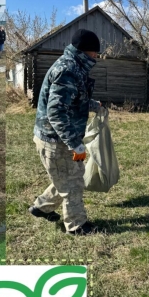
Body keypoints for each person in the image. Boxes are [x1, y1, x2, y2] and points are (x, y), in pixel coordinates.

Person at [31, 28, 104, 236]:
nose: (96, 57)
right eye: (95, 52)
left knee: (67, 177)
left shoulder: (74, 66)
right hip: (55, 140)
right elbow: (56, 112)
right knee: (72, 183)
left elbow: (71, 99)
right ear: (85, 51)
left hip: (57, 138)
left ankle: (41, 207)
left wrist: (92, 104)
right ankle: (76, 225)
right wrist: (75, 143)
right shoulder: (68, 69)